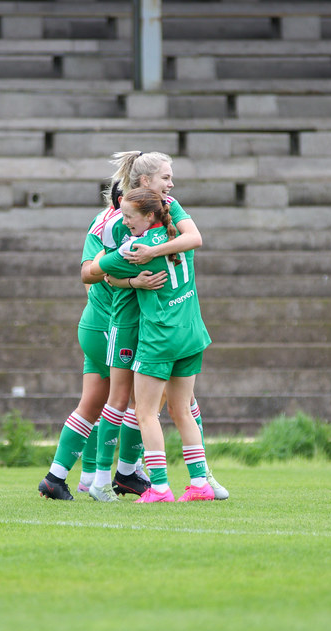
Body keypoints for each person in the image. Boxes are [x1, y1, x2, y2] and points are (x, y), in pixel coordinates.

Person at [94, 151, 228, 501]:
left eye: (128, 216)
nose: (123, 221)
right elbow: (193, 238)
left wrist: (123, 274)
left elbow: (94, 272)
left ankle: (159, 486)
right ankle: (200, 483)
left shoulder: (135, 247)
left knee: (145, 413)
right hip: (191, 333)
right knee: (182, 410)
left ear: (147, 214)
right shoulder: (176, 233)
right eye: (166, 177)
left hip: (159, 337)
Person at [37, 183, 165, 501]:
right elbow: (89, 272)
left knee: (94, 404)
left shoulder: (120, 223)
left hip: (100, 324)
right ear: (123, 199)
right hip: (108, 326)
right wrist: (129, 282)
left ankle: (60, 477)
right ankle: (124, 472)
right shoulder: (111, 226)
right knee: (136, 401)